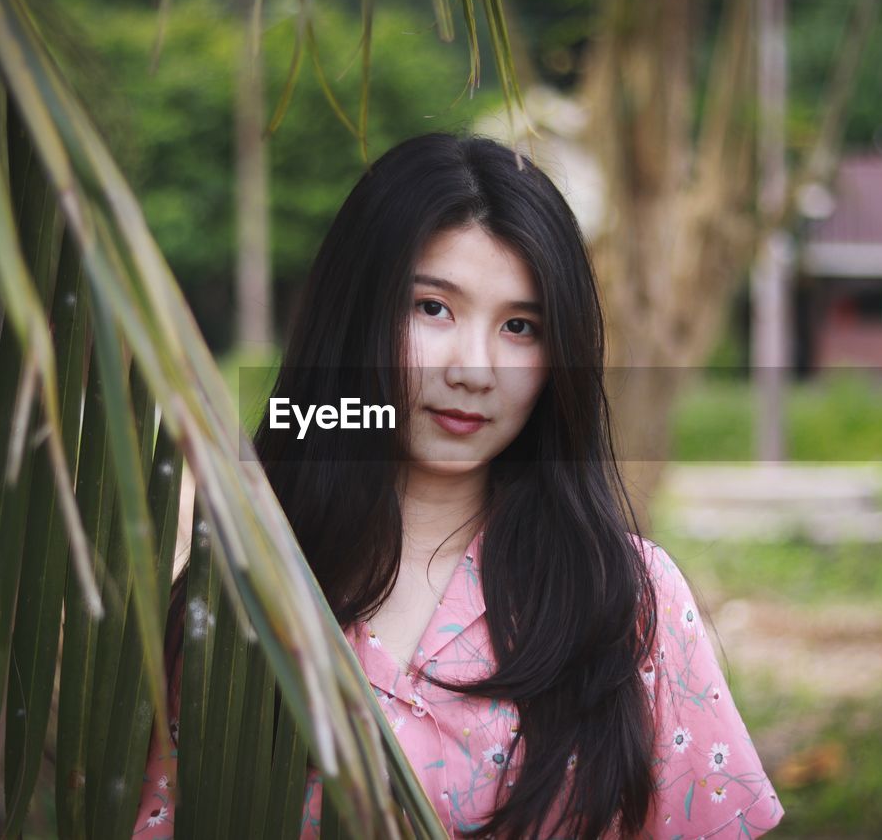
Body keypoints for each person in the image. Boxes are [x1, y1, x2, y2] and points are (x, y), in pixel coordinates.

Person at [133, 133, 784, 838]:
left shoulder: (627, 598)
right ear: (355, 319)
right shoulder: (238, 591)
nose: (476, 369)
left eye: (520, 326)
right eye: (433, 308)